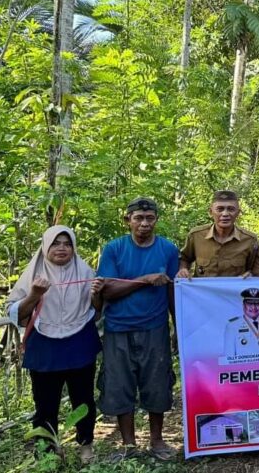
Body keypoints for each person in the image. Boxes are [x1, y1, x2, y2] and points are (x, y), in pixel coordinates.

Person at [7, 226, 101, 463]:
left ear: (74, 248)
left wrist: (97, 294)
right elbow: (16, 314)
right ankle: (49, 451)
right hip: (44, 345)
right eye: (56, 243)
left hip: (79, 340)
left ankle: (85, 446)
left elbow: (97, 309)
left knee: (83, 398)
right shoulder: (33, 275)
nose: (61, 248)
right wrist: (35, 294)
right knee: (45, 402)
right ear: (46, 247)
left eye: (67, 244)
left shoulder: (85, 271)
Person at [95, 198, 180, 461]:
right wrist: (144, 280)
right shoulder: (114, 249)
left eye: (149, 218)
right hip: (117, 328)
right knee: (120, 385)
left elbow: (173, 291)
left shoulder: (167, 249)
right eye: (138, 218)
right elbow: (107, 289)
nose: (144, 223)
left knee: (157, 384)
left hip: (155, 328)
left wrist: (178, 328)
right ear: (128, 220)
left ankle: (157, 441)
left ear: (156, 219)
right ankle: (128, 444)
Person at [177, 190, 257, 279]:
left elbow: (255, 269)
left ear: (238, 213)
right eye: (220, 209)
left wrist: (251, 274)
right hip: (203, 291)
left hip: (234, 291)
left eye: (231, 209)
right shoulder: (196, 236)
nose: (225, 214)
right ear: (211, 212)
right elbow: (185, 258)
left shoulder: (249, 240)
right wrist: (183, 269)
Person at [224, 288, 259, 356]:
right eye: (249, 304)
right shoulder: (232, 325)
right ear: (243, 305)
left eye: (257, 304)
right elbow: (229, 357)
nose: (253, 307)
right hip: (245, 366)